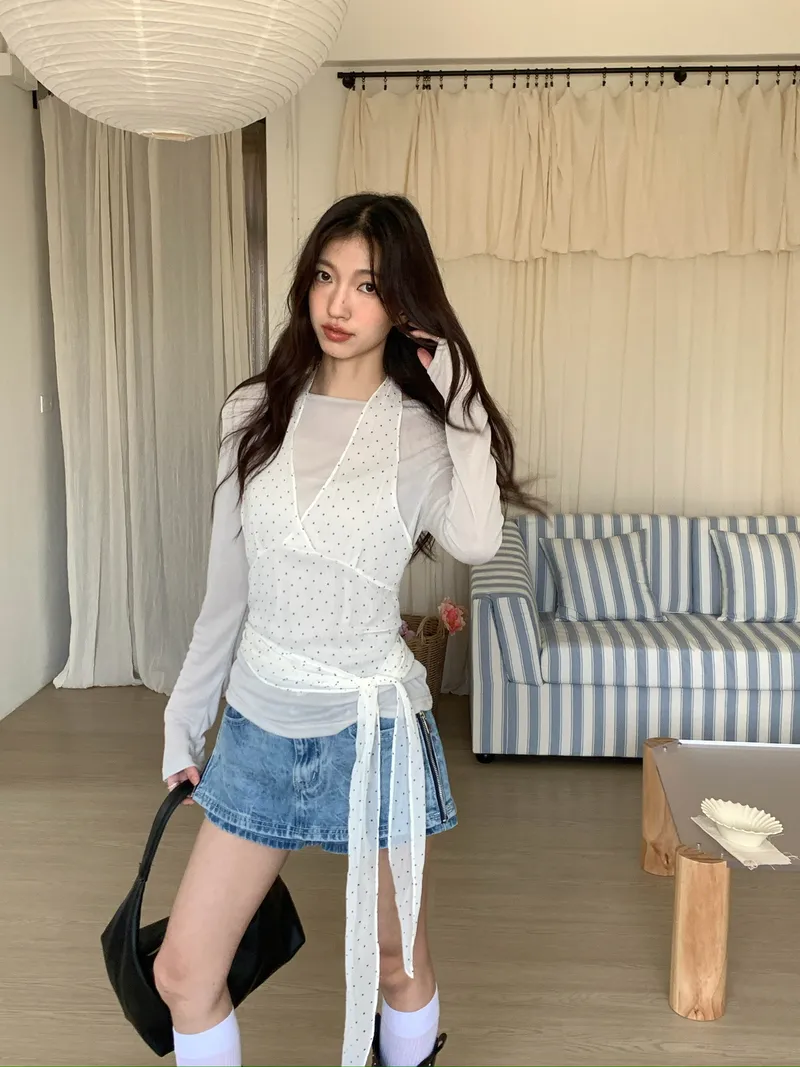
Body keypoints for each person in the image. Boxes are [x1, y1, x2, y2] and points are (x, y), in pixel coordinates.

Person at [153, 193, 538, 1067]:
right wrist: (185, 714)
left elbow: (478, 540)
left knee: (398, 963)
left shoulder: (422, 433)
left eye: (366, 285)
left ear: (402, 303)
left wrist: (463, 404)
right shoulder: (253, 411)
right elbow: (226, 591)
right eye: (326, 277)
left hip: (374, 732)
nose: (338, 303)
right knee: (182, 971)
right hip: (259, 726)